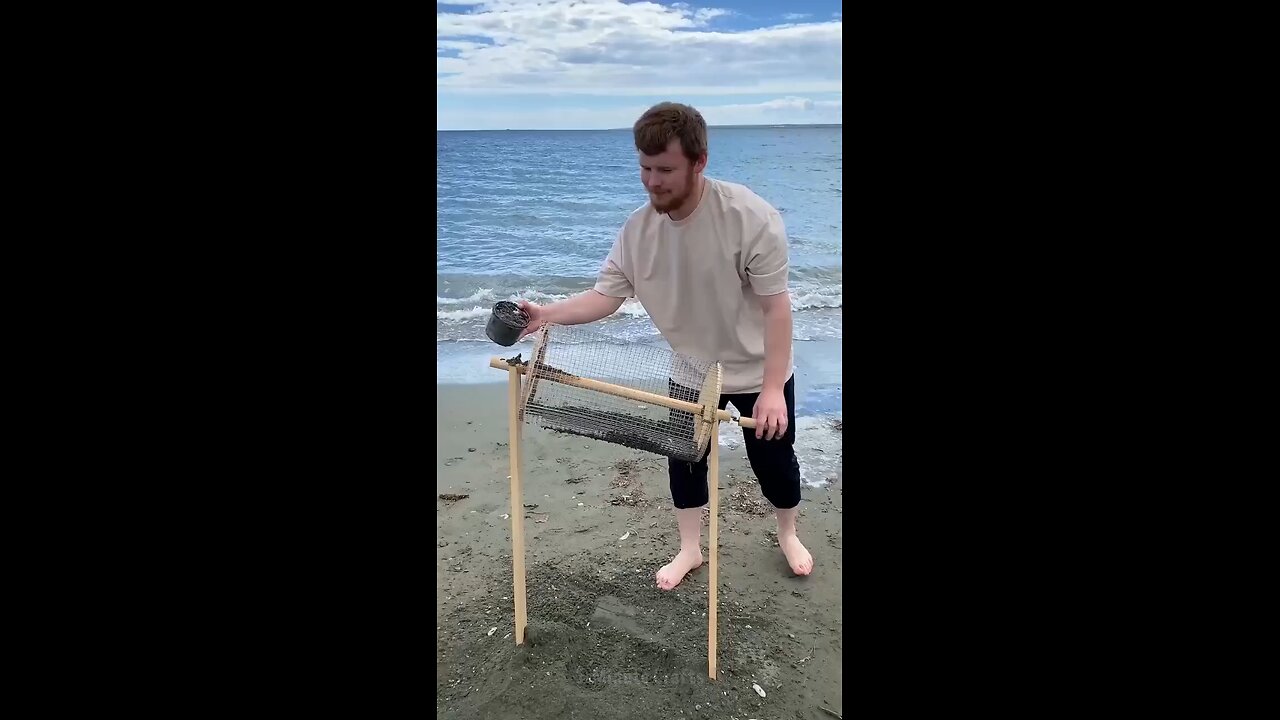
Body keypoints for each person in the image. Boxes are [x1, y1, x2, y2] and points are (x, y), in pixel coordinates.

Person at [516, 101, 813, 590]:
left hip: (760, 368)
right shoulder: (637, 231)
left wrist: (774, 388)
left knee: (775, 462)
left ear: (700, 162)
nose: (653, 181)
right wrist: (545, 316)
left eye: (666, 169)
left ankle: (787, 533)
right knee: (685, 463)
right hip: (690, 370)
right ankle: (690, 549)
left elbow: (776, 309)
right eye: (645, 168)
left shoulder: (751, 218)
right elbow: (604, 297)